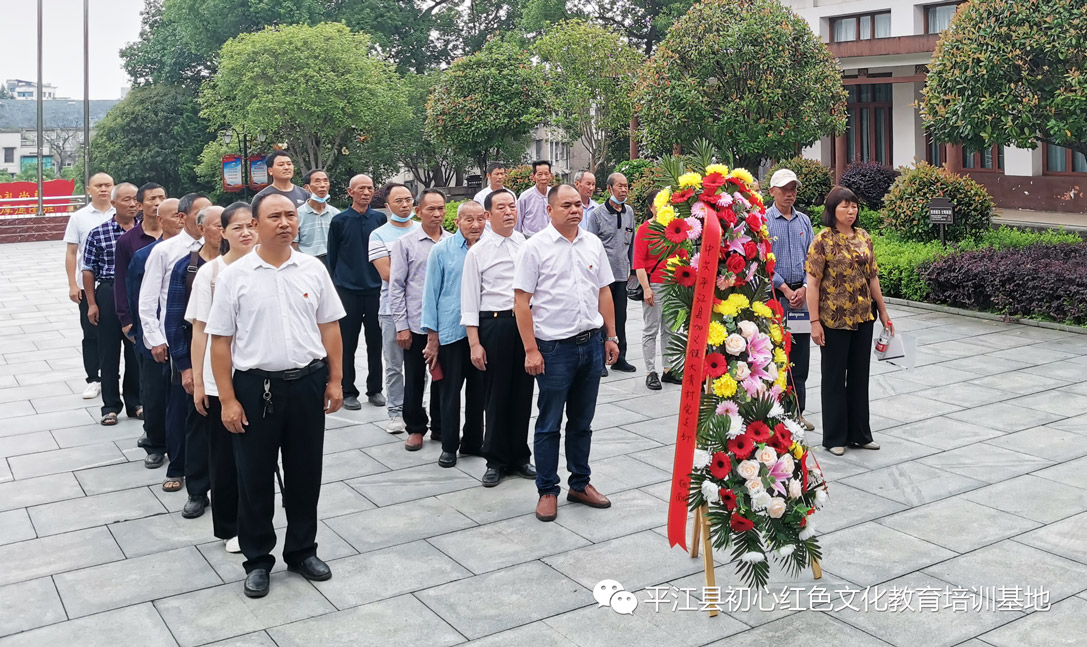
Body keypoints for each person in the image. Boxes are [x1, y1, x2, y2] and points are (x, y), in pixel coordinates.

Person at [207, 192, 345, 599]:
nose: (285, 222)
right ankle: (258, 560)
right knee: (254, 477)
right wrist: (228, 400)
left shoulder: (313, 269)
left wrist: (335, 380)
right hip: (255, 389)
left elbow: (330, 328)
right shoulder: (235, 275)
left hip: (307, 384)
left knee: (306, 473)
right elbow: (220, 343)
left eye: (290, 215)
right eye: (274, 216)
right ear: (255, 224)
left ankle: (302, 549)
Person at [513, 184, 620, 522]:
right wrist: (531, 349)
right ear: (549, 210)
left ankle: (580, 482)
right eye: (566, 205)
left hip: (590, 342)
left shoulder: (592, 244)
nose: (575, 210)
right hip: (554, 348)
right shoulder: (534, 248)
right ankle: (547, 489)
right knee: (548, 422)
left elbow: (604, 291)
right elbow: (520, 302)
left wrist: (611, 335)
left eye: (578, 204)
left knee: (582, 422)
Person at [186, 202, 258, 553]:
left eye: (250, 226)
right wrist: (200, 381)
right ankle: (230, 526)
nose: (246, 233)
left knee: (256, 455)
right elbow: (200, 330)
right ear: (223, 233)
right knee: (225, 455)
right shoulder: (210, 273)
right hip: (220, 378)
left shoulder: (268, 267)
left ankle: (256, 522)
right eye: (237, 227)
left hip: (260, 376)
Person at [806, 186, 894, 456]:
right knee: (833, 378)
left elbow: (873, 277)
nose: (851, 210)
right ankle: (834, 438)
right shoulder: (822, 240)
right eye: (844, 206)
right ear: (832, 210)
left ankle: (860, 433)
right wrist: (814, 321)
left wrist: (883, 311)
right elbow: (813, 282)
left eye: (854, 206)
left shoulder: (864, 237)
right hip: (833, 319)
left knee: (859, 376)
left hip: (862, 317)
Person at [461, 189, 536, 487]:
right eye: (501, 208)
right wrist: (474, 343)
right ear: (488, 216)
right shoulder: (477, 252)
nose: (508, 212)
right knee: (495, 394)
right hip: (494, 326)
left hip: (524, 326)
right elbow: (468, 301)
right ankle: (495, 459)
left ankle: (519, 455)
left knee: (522, 393)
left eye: (512, 207)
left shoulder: (526, 245)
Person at [139, 192, 211, 492]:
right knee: (181, 406)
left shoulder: (220, 251)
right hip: (180, 337)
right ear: (183, 218)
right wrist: (155, 338)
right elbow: (149, 299)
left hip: (215, 340)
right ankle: (178, 466)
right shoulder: (167, 251)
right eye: (201, 214)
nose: (208, 220)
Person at [167, 206, 224, 519]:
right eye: (217, 225)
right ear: (203, 229)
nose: (223, 230)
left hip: (234, 358)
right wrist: (187, 367)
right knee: (198, 422)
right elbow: (175, 320)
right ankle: (198, 491)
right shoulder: (187, 268)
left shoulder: (241, 263)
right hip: (199, 354)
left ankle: (229, 487)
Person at [422, 200, 487, 468]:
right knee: (449, 393)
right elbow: (430, 295)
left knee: (479, 392)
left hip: (484, 334)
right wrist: (432, 339)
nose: (475, 225)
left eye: (480, 219)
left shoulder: (490, 248)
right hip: (451, 332)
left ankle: (473, 442)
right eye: (468, 220)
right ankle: (449, 445)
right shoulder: (442, 251)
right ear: (457, 222)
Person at [388, 189, 448, 451]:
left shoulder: (453, 242)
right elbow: (396, 286)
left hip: (446, 324)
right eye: (430, 209)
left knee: (443, 378)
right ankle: (415, 427)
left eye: (441, 209)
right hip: (415, 323)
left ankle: (440, 426)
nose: (436, 214)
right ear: (419, 211)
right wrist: (401, 326)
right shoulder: (406, 243)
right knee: (414, 377)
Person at [126, 197, 181, 470]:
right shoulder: (146, 254)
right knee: (155, 394)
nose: (181, 221)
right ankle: (156, 443)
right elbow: (139, 300)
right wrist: (144, 334)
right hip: (154, 337)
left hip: (182, 336)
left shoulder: (196, 252)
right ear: (161, 220)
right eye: (175, 216)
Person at [82, 182, 142, 427]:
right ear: (114, 203)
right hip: (107, 291)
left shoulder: (146, 231)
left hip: (136, 294)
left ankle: (135, 401)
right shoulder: (99, 232)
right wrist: (92, 303)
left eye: (135, 200)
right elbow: (88, 270)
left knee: (136, 351)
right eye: (126, 199)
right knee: (108, 352)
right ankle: (110, 406)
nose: (131, 204)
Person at [327, 174, 387, 410]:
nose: (366, 192)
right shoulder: (339, 221)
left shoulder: (379, 218)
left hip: (375, 290)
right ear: (350, 192)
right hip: (348, 290)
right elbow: (332, 257)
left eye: (370, 188)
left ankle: (375, 389)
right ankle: (348, 390)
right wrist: (336, 287)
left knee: (376, 342)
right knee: (347, 343)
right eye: (361, 188)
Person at [766, 168, 816, 432]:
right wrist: (785, 289)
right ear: (772, 191)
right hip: (776, 298)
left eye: (793, 188)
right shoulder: (763, 220)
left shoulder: (804, 221)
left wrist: (806, 287)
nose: (790, 194)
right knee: (775, 355)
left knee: (800, 357)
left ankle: (797, 412)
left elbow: (813, 258)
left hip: (801, 300)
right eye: (784, 189)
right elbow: (762, 260)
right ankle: (774, 413)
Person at [367, 183, 420, 434]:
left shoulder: (424, 230)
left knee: (421, 364)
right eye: (398, 201)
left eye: (408, 199)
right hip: (391, 309)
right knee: (394, 364)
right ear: (387, 206)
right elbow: (389, 274)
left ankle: (416, 409)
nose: (405, 204)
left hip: (422, 309)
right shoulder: (378, 235)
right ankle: (395, 412)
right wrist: (420, 278)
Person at [63, 172, 115, 400]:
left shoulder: (122, 213)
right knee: (91, 333)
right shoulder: (79, 217)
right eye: (99, 185)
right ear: (88, 189)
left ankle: (117, 379)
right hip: (88, 285)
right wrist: (72, 284)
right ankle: (94, 379)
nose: (104, 189)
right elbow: (72, 252)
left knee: (121, 335)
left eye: (108, 185)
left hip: (115, 285)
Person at [584, 172, 637, 373]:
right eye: (619, 186)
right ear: (609, 189)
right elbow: (590, 246)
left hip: (622, 274)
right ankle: (599, 360)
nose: (623, 190)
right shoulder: (597, 215)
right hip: (602, 278)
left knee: (620, 318)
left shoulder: (629, 212)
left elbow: (631, 240)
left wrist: (632, 268)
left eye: (626, 186)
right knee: (601, 318)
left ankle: (619, 357)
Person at [633, 189, 682, 390]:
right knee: (651, 329)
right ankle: (650, 371)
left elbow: (683, 256)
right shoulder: (645, 230)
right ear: (650, 207)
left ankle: (669, 369)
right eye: (658, 204)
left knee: (670, 329)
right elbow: (639, 263)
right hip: (654, 284)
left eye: (667, 203)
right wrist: (646, 288)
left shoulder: (675, 228)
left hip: (673, 286)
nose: (664, 207)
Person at [116, 183, 167, 345]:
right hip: (141, 313)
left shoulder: (175, 237)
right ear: (139, 205)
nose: (158, 203)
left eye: (162, 198)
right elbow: (121, 281)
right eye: (152, 199)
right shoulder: (126, 241)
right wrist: (126, 320)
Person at [294, 169, 340, 267]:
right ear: (307, 188)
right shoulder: (297, 215)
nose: (322, 185)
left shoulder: (336, 214)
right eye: (317, 182)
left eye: (325, 181)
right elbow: (294, 246)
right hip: (306, 263)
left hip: (332, 263)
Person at [515, 160, 553, 237]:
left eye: (546, 174)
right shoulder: (525, 197)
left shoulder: (554, 194)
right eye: (539, 174)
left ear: (550, 175)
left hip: (551, 238)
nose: (543, 178)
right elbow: (517, 223)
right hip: (530, 238)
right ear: (533, 176)